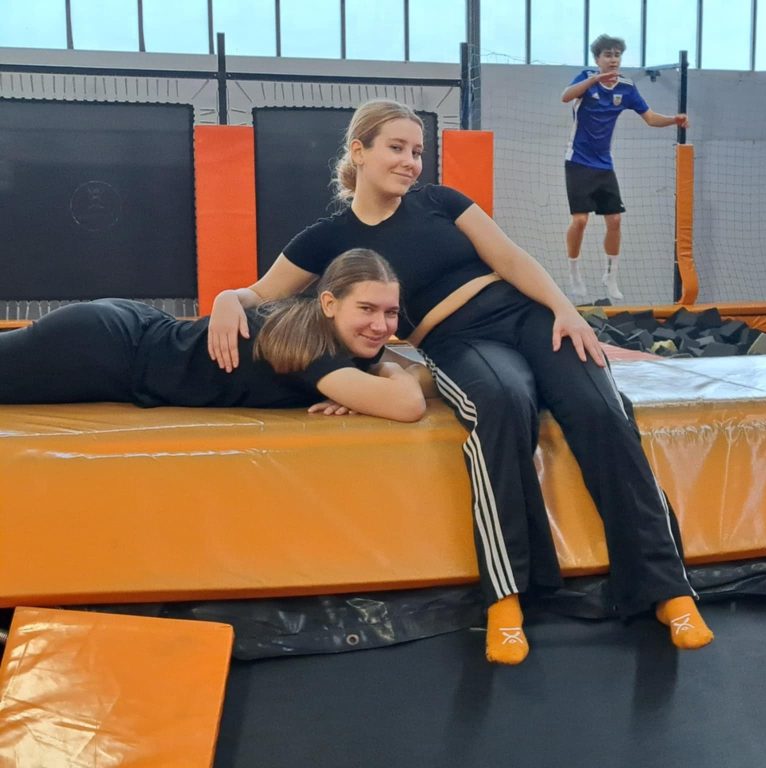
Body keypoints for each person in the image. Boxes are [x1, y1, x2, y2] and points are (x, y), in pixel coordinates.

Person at [208, 99, 713, 665]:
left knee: (602, 410)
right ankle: (508, 597)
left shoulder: (441, 202)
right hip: (457, 341)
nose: (410, 161)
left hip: (526, 316)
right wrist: (228, 298)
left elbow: (510, 258)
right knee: (502, 402)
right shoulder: (329, 237)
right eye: (396, 148)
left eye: (417, 151)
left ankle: (667, 588)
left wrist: (565, 311)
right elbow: (261, 293)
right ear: (359, 151)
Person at [0, 249, 428, 422]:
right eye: (366, 309)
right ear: (330, 304)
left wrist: (367, 381)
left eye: (391, 313)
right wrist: (384, 371)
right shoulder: (311, 349)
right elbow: (408, 403)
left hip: (132, 330)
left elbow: (427, 378)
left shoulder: (329, 335)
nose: (381, 326)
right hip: (105, 350)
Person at [562, 33, 690, 303]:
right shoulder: (586, 78)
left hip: (604, 164)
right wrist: (593, 80)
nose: (613, 60)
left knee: (615, 221)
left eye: (617, 55)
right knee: (580, 221)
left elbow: (650, 118)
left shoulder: (626, 88)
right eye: (607, 55)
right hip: (578, 161)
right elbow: (565, 96)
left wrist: (674, 119)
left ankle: (610, 275)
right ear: (597, 59)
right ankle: (574, 271)